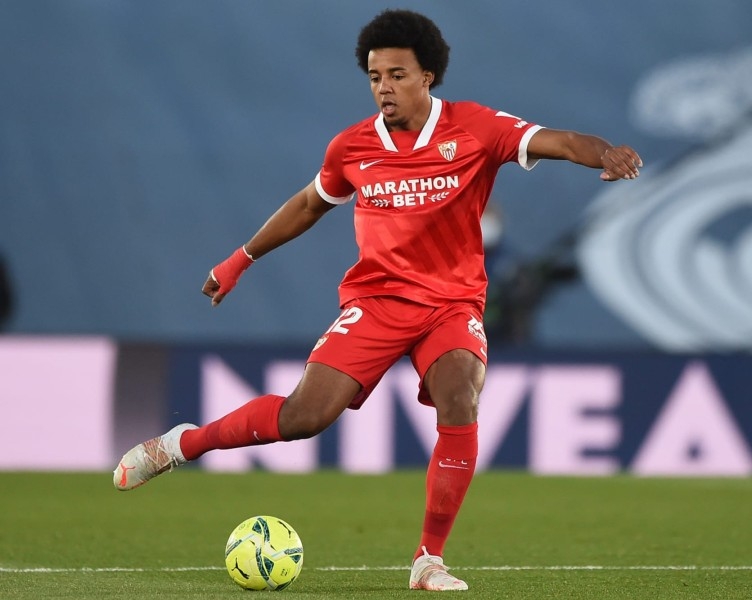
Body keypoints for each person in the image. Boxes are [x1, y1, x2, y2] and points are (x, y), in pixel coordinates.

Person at [114, 8, 641, 591]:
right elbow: (309, 205)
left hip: (451, 304)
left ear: (428, 76)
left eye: (397, 74)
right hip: (378, 302)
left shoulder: (474, 127)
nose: (383, 87)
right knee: (304, 418)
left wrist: (605, 154)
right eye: (374, 76)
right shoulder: (353, 147)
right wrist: (240, 259)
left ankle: (428, 560)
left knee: (460, 397)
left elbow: (561, 141)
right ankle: (181, 444)